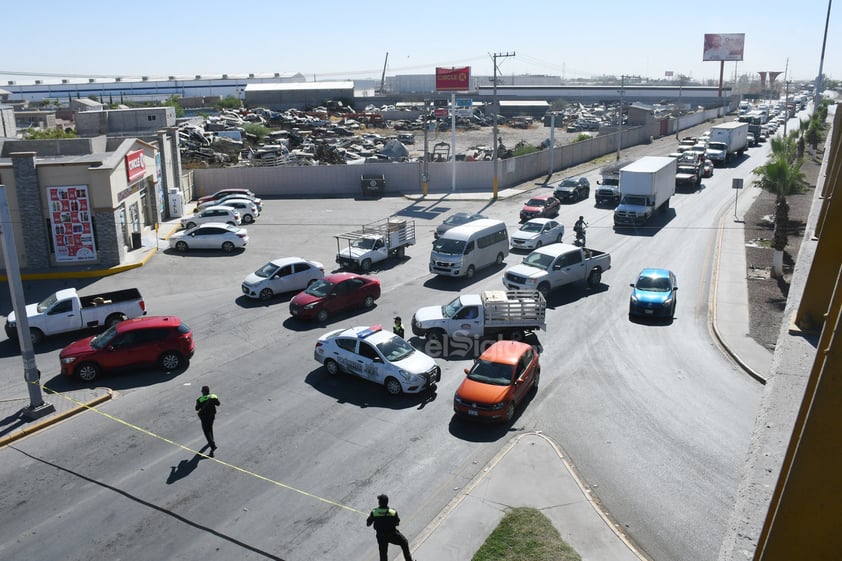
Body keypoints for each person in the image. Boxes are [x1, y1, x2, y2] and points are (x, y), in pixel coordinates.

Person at [366, 494, 413, 561]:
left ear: (379, 503)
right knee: (404, 543)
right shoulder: (393, 512)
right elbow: (397, 523)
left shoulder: (374, 512)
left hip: (381, 536)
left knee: (383, 554)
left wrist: (372, 518)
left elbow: (368, 524)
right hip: (392, 535)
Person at [195, 385, 220, 456]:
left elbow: (196, 408)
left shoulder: (200, 399)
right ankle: (212, 440)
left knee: (206, 431)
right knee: (210, 427)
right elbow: (218, 404)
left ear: (203, 392)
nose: (201, 391)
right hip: (212, 415)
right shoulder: (213, 396)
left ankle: (213, 445)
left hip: (204, 417)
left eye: (202, 390)